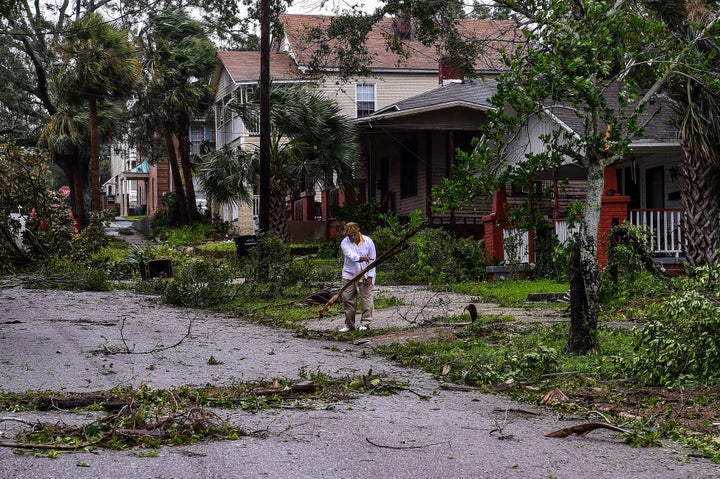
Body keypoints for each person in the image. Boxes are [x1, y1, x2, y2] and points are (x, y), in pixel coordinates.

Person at [338, 222, 376, 332]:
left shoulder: (368, 241)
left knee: (367, 299)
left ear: (358, 232)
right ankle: (349, 325)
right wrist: (361, 258)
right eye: (350, 236)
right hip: (349, 275)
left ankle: (365, 323)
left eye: (354, 234)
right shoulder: (344, 243)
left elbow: (373, 260)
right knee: (348, 299)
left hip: (365, 275)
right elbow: (351, 255)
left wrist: (370, 276)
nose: (353, 237)